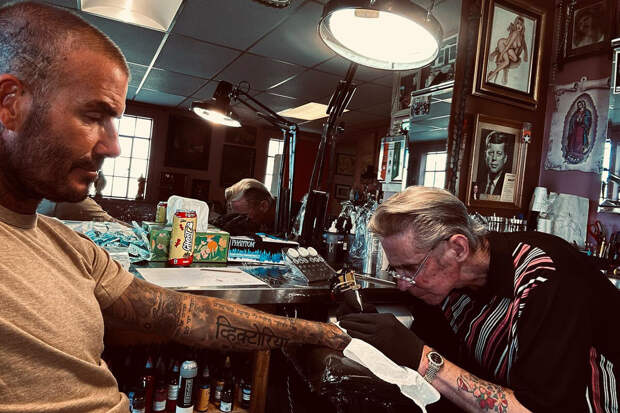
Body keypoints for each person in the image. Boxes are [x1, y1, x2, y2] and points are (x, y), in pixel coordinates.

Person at [0, 3, 349, 411]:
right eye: (94, 116)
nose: (113, 146)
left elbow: (183, 314)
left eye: (114, 122)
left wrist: (316, 333)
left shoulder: (68, 247)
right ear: (10, 103)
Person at [340, 186, 620, 412]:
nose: (402, 284)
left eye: (411, 268)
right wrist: (377, 339)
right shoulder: (445, 287)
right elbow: (442, 375)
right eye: (396, 270)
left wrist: (424, 359)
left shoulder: (544, 280)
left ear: (458, 248)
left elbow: (537, 409)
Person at [487, 15, 528, 85]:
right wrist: (501, 55)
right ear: (515, 24)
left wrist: (525, 54)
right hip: (502, 44)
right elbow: (508, 46)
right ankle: (492, 74)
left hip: (509, 48)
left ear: (523, 26)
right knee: (507, 62)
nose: (519, 26)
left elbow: (521, 46)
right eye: (517, 23)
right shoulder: (515, 33)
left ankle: (499, 64)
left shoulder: (521, 36)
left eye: (521, 24)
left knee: (515, 59)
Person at [480, 131, 509, 196]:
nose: (494, 158)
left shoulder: (509, 187)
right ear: (485, 156)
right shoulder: (477, 183)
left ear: (505, 158)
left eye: (499, 153)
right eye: (491, 153)